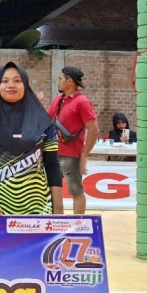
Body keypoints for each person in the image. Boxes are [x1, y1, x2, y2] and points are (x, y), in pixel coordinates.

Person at [0, 62, 65, 215]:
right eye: (4, 81)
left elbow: (53, 165)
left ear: (25, 84)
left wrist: (58, 209)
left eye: (17, 80)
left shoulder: (44, 122)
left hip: (39, 211)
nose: (11, 85)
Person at [48, 66, 98, 214]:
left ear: (69, 81)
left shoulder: (82, 102)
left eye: (61, 78)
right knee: (53, 192)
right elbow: (46, 120)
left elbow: (94, 129)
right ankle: (57, 223)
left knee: (76, 191)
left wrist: (84, 155)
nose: (58, 81)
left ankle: (78, 224)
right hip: (54, 153)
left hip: (71, 155)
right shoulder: (58, 100)